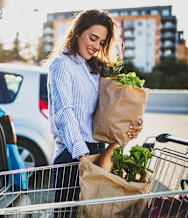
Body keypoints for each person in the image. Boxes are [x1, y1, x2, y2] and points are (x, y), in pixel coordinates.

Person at [46, 9, 143, 217]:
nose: (96, 46)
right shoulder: (62, 64)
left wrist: (132, 124)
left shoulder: (93, 70)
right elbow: (65, 113)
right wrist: (83, 155)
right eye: (93, 38)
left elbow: (109, 110)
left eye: (101, 42)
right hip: (74, 157)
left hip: (99, 153)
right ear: (78, 32)